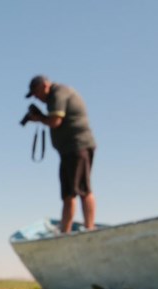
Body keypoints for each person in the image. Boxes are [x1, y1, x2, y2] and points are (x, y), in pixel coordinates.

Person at [24, 75, 97, 233]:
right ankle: (65, 231)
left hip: (78, 146)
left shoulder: (58, 93)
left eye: (36, 93)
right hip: (68, 150)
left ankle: (89, 229)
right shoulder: (54, 96)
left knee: (82, 190)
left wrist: (40, 118)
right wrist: (42, 118)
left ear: (44, 86)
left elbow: (56, 121)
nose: (36, 98)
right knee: (68, 193)